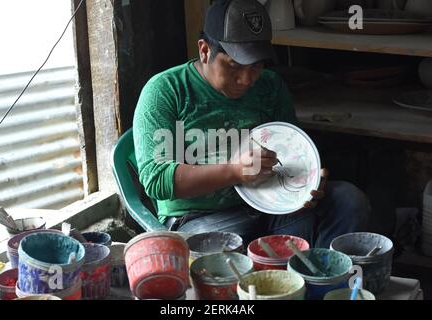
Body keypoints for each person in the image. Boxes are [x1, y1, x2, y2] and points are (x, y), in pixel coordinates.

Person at [132, 0, 369, 247]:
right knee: (244, 252)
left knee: (348, 200)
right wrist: (235, 172)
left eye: (256, 66)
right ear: (204, 51)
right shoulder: (166, 90)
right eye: (234, 66)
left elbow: (292, 153)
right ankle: (294, 271)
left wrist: (307, 181)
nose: (246, 79)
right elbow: (156, 180)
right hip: (200, 217)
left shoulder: (270, 86)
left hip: (270, 202)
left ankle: (319, 280)